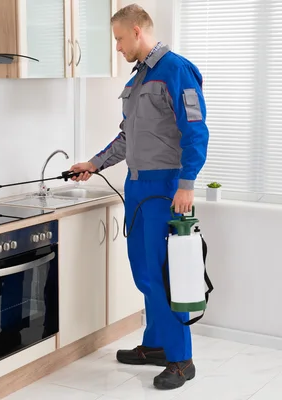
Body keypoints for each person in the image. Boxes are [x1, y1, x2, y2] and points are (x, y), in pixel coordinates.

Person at [69, 4, 209, 391]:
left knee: (166, 276)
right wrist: (94, 164)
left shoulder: (176, 71)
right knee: (146, 274)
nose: (116, 47)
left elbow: (197, 132)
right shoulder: (139, 79)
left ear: (136, 31)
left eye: (118, 38)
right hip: (137, 187)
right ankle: (155, 346)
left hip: (166, 188)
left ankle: (182, 359)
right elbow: (127, 137)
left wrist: (187, 183)